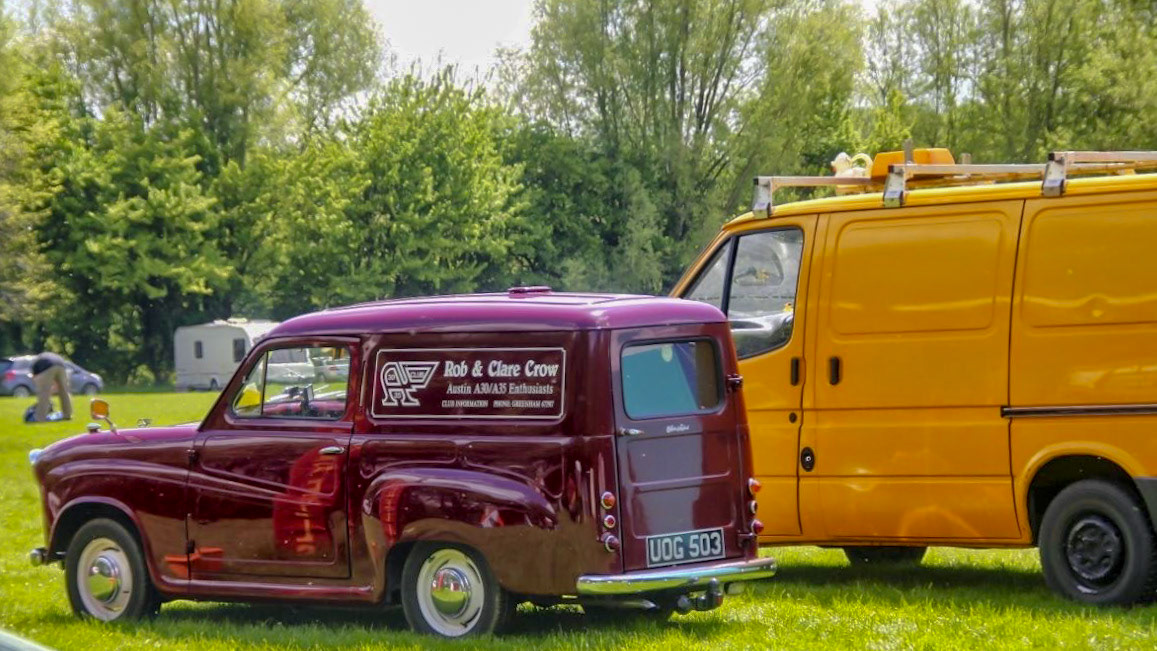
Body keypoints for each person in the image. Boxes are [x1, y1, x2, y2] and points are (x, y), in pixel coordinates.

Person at [32, 352, 72, 422]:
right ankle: (67, 415)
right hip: (61, 365)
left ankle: (40, 418)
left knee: (44, 393)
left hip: (49, 366)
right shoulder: (47, 357)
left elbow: (36, 378)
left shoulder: (36, 363)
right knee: (64, 392)